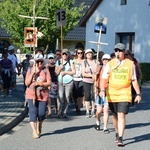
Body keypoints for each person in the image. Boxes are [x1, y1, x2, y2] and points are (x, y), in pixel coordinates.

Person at [100, 43, 142, 147]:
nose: (118, 52)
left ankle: (120, 137)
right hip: (112, 93)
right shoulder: (110, 64)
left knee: (121, 114)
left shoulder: (130, 64)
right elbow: (104, 78)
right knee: (114, 116)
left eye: (120, 51)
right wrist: (102, 90)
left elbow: (134, 80)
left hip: (125, 93)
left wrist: (138, 94)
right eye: (116, 50)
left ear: (124, 52)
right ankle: (117, 132)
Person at [25, 53, 51, 139]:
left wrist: (39, 83)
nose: (39, 63)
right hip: (31, 94)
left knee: (41, 113)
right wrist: (32, 74)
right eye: (38, 62)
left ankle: (39, 125)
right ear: (35, 62)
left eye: (41, 62)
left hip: (43, 95)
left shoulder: (45, 70)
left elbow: (49, 82)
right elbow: (27, 83)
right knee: (33, 112)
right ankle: (34, 131)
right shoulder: (30, 69)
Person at [55, 48, 76, 118]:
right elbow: (56, 73)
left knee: (67, 97)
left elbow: (74, 72)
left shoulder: (71, 62)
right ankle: (59, 111)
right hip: (60, 81)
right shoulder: (58, 62)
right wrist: (60, 68)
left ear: (68, 55)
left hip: (69, 81)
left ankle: (64, 112)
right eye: (63, 54)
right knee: (60, 97)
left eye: (66, 54)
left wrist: (66, 72)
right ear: (61, 54)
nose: (64, 55)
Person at [95, 54, 111, 133]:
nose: (105, 61)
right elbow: (94, 79)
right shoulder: (99, 68)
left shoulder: (111, 69)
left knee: (106, 110)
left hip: (108, 91)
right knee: (99, 110)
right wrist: (95, 73)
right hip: (99, 91)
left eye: (107, 60)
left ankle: (105, 127)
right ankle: (97, 121)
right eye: (104, 59)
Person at [82, 49, 100, 118]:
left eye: (90, 53)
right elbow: (83, 73)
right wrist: (91, 75)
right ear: (85, 55)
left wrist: (96, 73)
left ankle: (93, 110)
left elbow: (98, 71)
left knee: (93, 95)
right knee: (87, 96)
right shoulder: (84, 62)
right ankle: (87, 111)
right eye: (87, 53)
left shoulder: (96, 61)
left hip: (94, 81)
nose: (89, 54)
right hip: (86, 80)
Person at [72, 48, 84, 114]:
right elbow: (72, 68)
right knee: (75, 95)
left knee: (80, 94)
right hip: (74, 78)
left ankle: (79, 107)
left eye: (81, 53)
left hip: (81, 78)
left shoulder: (84, 61)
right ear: (76, 53)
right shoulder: (74, 61)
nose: (80, 54)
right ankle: (76, 104)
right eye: (78, 53)